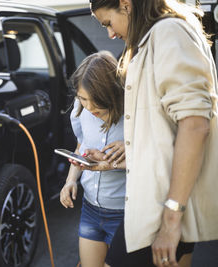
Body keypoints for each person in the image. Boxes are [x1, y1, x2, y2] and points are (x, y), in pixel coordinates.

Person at [90, 0, 218, 267]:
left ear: (125, 4)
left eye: (107, 23)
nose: (110, 34)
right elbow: (166, 138)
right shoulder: (155, 37)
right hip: (159, 201)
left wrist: (171, 221)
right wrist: (112, 162)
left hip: (164, 208)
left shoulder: (168, 32)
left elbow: (195, 125)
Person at [59, 50, 126, 267]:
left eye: (93, 101)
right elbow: (82, 145)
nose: (88, 107)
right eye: (82, 98)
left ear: (110, 94)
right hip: (90, 209)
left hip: (125, 213)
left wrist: (117, 159)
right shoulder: (82, 108)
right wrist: (70, 180)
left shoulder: (134, 115)